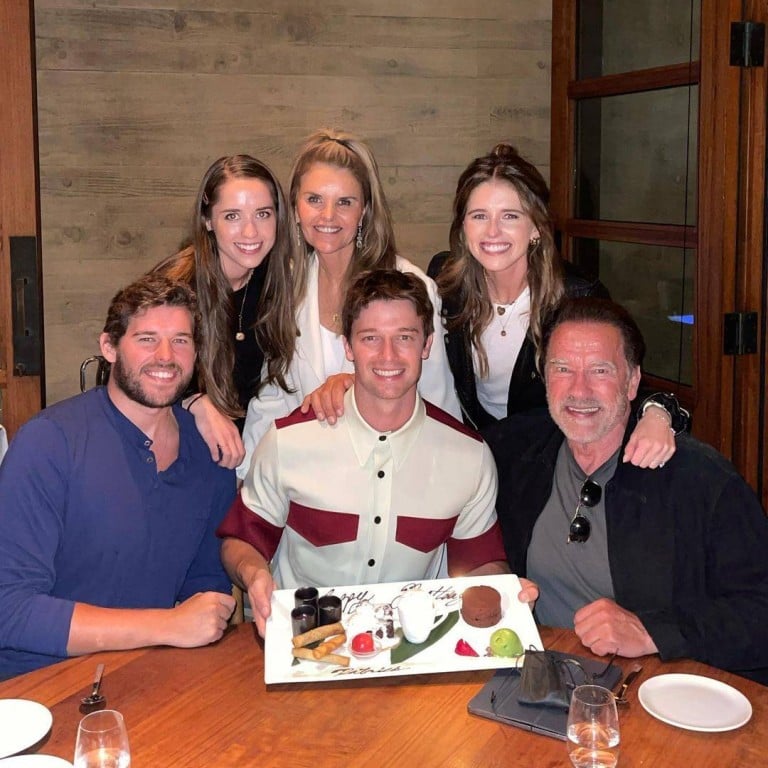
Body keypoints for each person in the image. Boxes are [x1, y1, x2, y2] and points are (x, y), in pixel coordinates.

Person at [220, 269, 534, 636]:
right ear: (348, 347)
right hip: (305, 646)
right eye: (371, 338)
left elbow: (479, 565)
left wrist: (506, 594)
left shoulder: (469, 457)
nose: (388, 355)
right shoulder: (288, 441)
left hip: (412, 651)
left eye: (405, 337)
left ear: (427, 345)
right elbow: (241, 541)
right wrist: (254, 574)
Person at [485, 297, 768, 683]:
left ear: (633, 381)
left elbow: (759, 611)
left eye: (600, 370)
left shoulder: (699, 480)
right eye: (563, 368)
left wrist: (652, 632)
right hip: (536, 680)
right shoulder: (515, 453)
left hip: (657, 689)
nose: (579, 390)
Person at [0, 275, 237, 680]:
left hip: (149, 674)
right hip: (41, 684)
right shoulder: (50, 443)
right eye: (147, 339)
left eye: (181, 340)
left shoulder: (210, 453)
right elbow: (9, 609)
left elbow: (205, 584)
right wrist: (167, 625)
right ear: (109, 347)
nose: (166, 356)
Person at [428, 143, 688, 467]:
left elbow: (618, 375)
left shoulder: (576, 295)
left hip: (548, 461)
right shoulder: (443, 283)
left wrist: (659, 413)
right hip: (470, 454)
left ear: (536, 227)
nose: (492, 231)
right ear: (463, 227)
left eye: (510, 216)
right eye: (479, 216)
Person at [238, 129, 461, 477]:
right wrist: (245, 478)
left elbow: (437, 404)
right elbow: (274, 397)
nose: (328, 215)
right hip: (304, 476)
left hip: (390, 476)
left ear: (365, 211)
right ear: (294, 208)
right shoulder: (287, 285)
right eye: (314, 199)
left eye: (345, 202)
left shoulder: (412, 286)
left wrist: (358, 392)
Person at [152, 154, 296, 467]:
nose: (250, 232)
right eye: (232, 216)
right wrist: (194, 402)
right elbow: (136, 378)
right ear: (208, 221)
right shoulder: (175, 288)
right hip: (173, 455)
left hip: (245, 457)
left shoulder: (277, 278)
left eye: (263, 214)